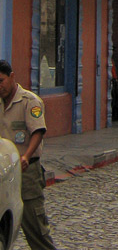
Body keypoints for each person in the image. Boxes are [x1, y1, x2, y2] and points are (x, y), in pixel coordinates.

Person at [0, 59, 57, 250]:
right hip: (4, 171)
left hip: (26, 173)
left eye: (1, 81)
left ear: (12, 77)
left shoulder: (29, 102)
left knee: (35, 228)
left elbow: (38, 132)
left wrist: (26, 156)